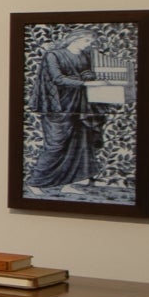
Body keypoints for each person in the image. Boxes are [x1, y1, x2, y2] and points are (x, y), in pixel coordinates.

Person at [25, 31, 105, 192]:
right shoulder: (53, 55)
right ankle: (35, 182)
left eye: (90, 41)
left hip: (79, 105)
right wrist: (85, 84)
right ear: (74, 39)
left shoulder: (84, 55)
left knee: (76, 145)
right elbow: (57, 78)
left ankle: (67, 184)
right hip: (58, 106)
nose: (88, 43)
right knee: (55, 145)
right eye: (86, 39)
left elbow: (85, 72)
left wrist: (90, 77)